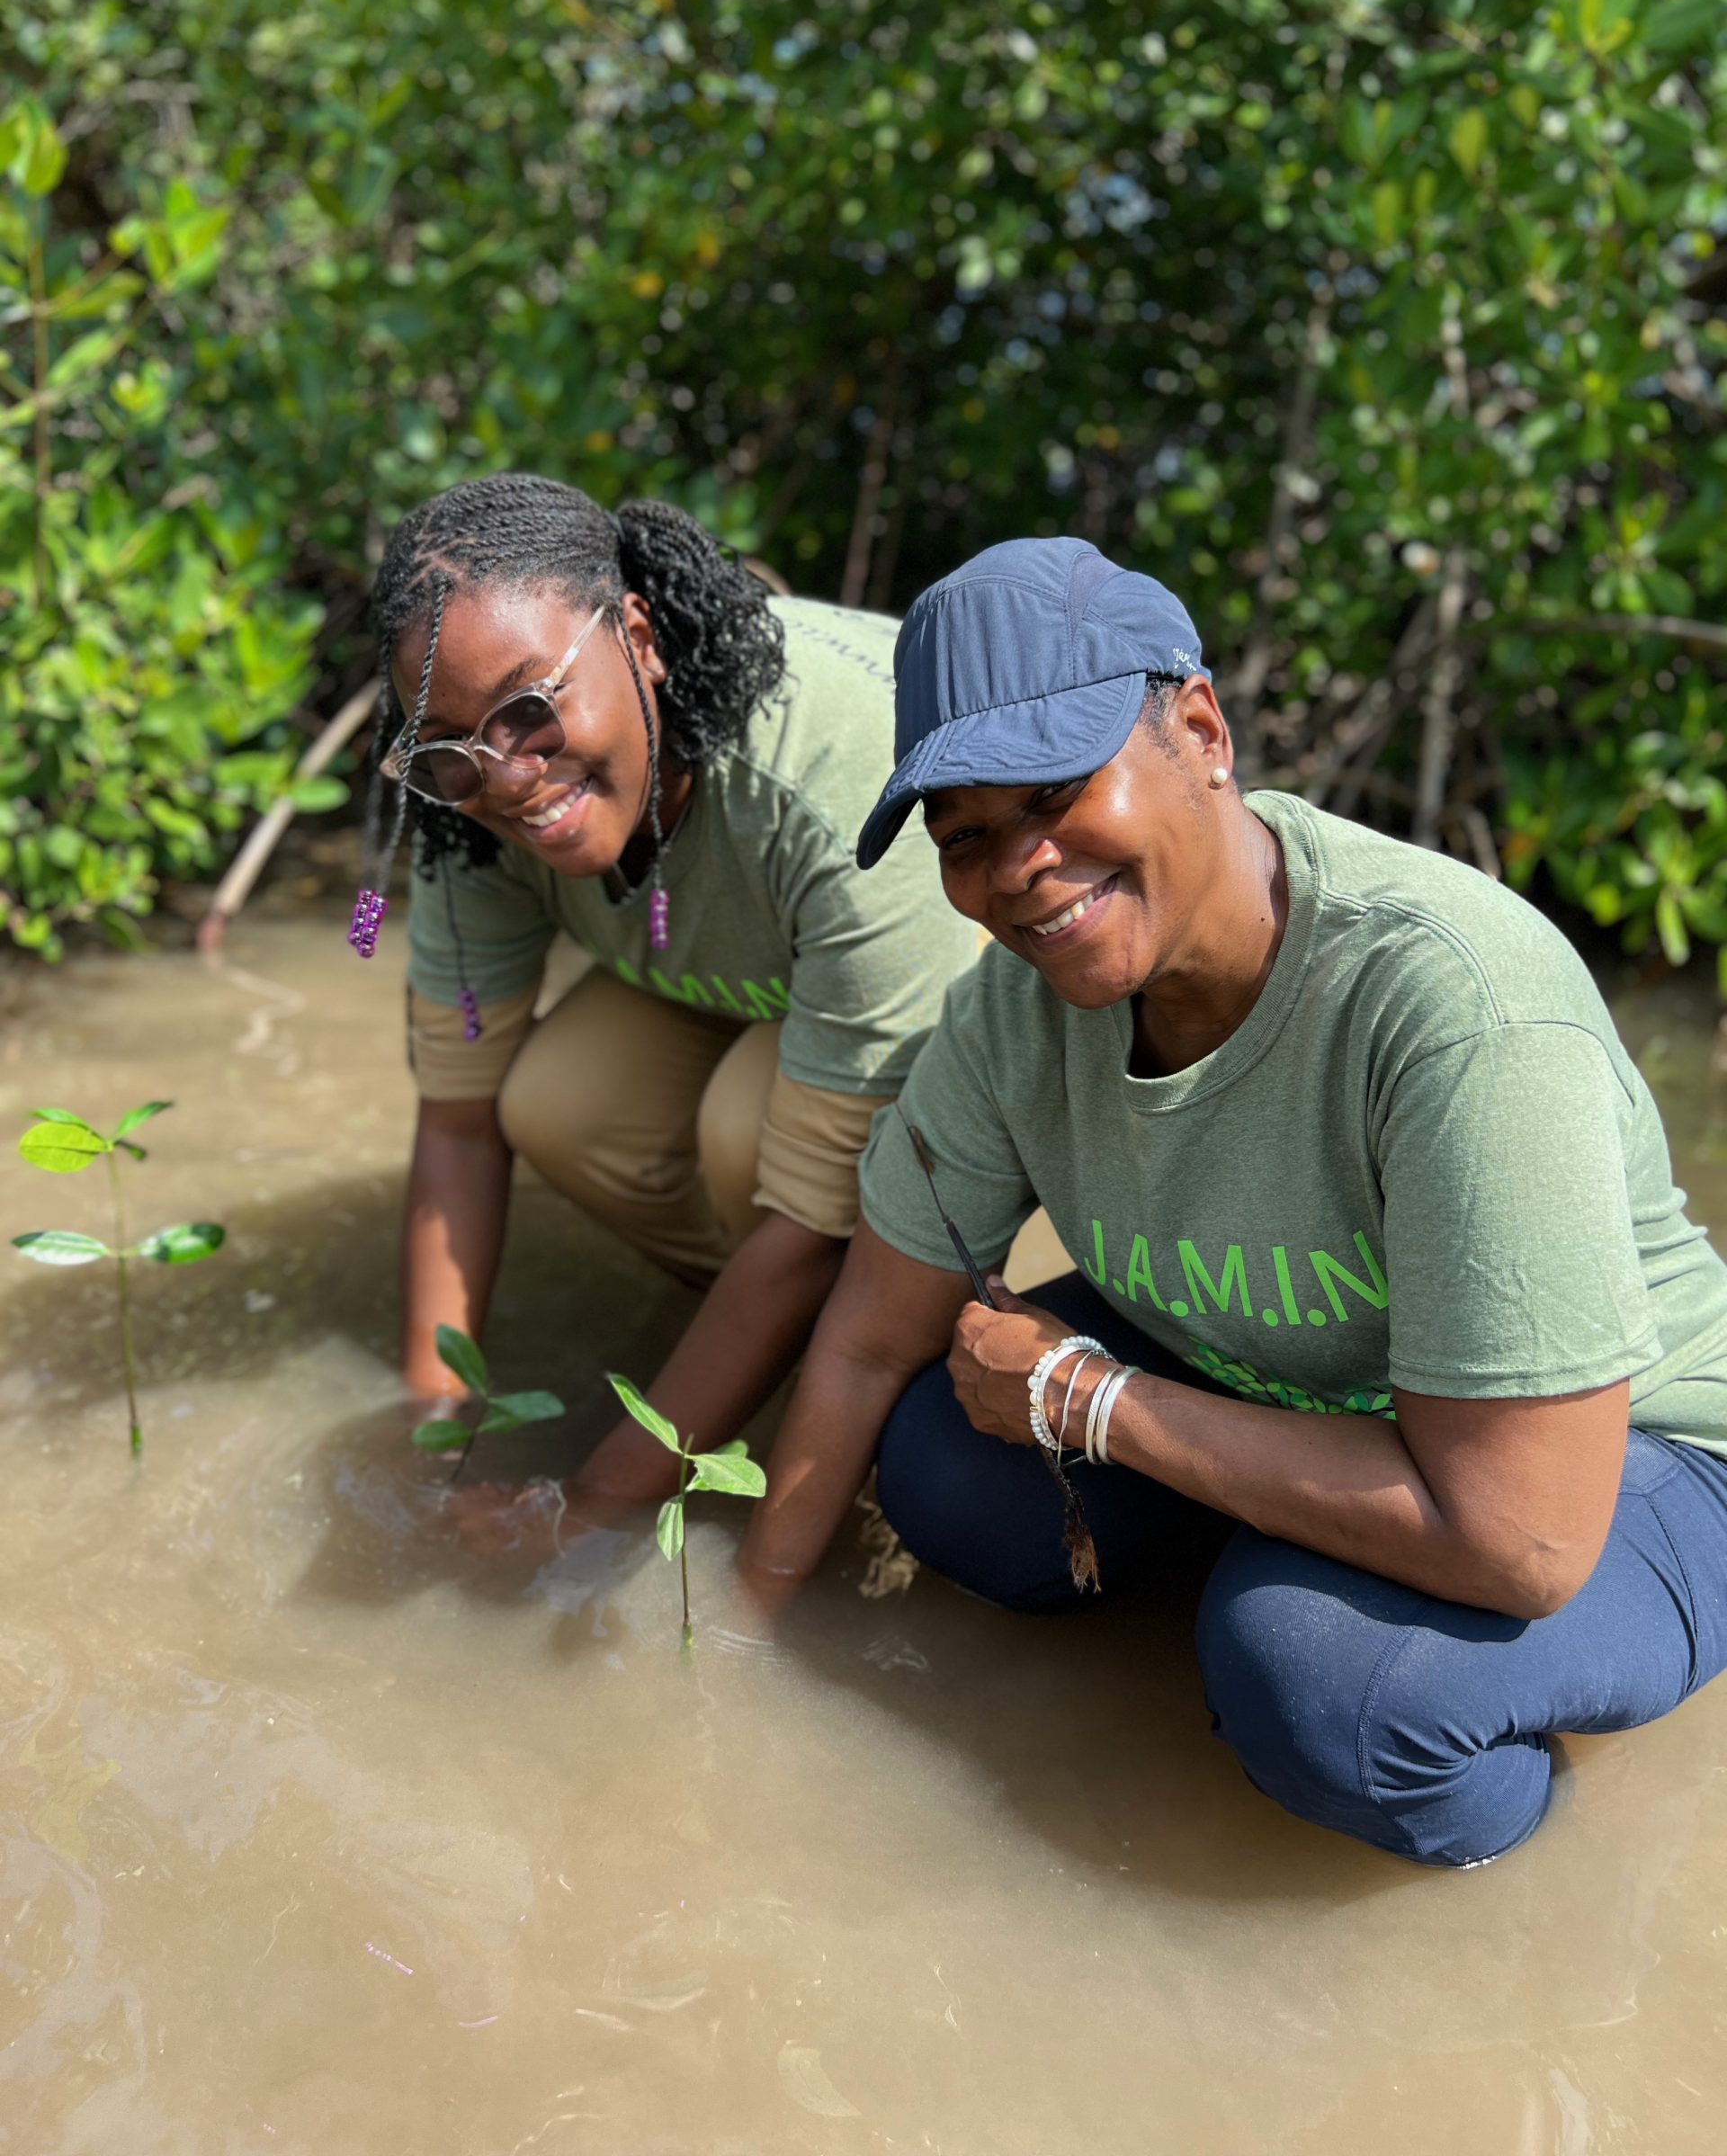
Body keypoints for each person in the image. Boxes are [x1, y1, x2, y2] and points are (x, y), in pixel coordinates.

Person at [737, 535, 1727, 1867]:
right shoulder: (1011, 1018)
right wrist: (742, 1648)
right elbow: (864, 1341)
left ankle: (1535, 1840)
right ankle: (1266, 1570)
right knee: (951, 1470)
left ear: (1201, 728)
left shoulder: (1453, 1008)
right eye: (968, 839)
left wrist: (1099, 1404)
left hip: (1633, 1465)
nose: (1020, 868)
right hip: (1313, 1396)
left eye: (1055, 794)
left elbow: (1523, 1541)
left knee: (1330, 1686)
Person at [354, 473, 976, 1510]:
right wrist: (428, 1431)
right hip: (766, 975)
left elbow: (809, 1216)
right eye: (455, 751)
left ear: (639, 635)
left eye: (529, 710)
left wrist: (588, 1508)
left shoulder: (831, 775)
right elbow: (458, 1123)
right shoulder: (464, 805)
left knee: (753, 1135)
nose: (508, 778)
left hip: (963, 1009)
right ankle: (759, 1343)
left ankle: (869, 1351)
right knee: (557, 1102)